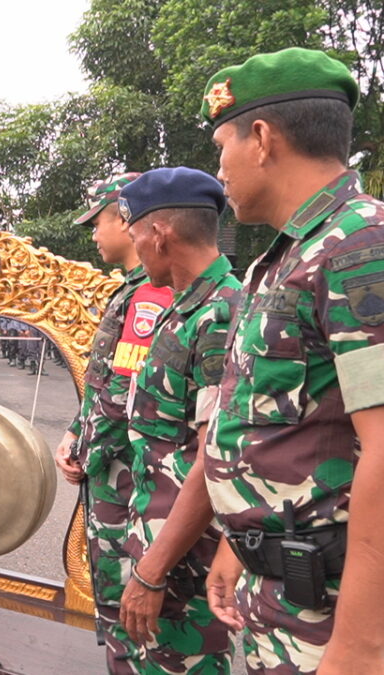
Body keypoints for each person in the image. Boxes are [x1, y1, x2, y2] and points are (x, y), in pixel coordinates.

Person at [198, 48, 384, 673]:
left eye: (221, 145)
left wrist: (359, 650)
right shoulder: (282, 260)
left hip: (333, 618)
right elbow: (279, 432)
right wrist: (242, 543)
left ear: (261, 139)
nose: (217, 167)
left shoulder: (360, 246)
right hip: (275, 593)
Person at [112, 167, 240, 672]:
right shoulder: (184, 309)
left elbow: (212, 461)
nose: (136, 246)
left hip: (187, 565)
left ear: (160, 234)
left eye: (137, 232)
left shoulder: (218, 315)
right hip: (164, 550)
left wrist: (152, 570)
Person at [52, 173, 173, 673]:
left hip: (127, 481)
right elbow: (102, 384)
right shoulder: (129, 291)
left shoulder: (149, 298)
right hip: (112, 474)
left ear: (126, 220)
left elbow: (124, 399)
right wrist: (71, 432)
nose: (94, 234)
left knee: (132, 614)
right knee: (116, 611)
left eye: (99, 222)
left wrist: (85, 451)